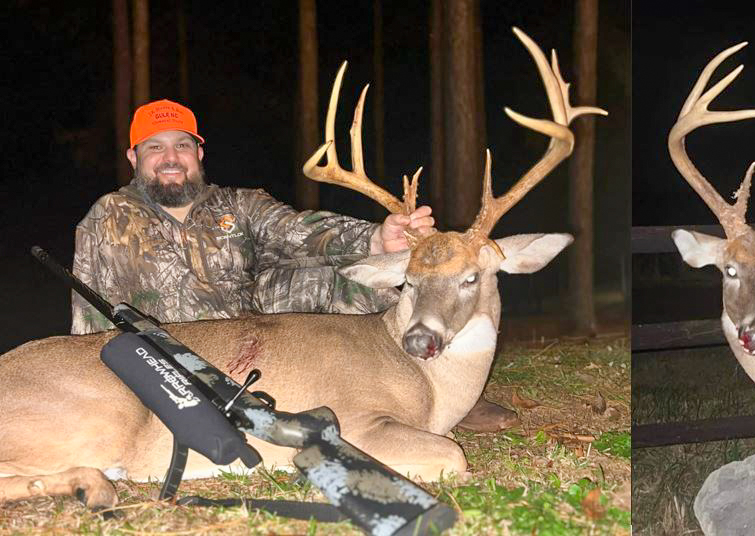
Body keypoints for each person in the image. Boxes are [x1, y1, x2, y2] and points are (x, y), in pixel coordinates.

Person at [71, 99, 516, 431]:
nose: (170, 158)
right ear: (134, 157)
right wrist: (93, 375)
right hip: (170, 355)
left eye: (182, 145)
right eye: (155, 147)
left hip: (252, 336)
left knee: (363, 285)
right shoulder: (106, 218)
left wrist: (376, 238)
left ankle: (433, 387)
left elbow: (300, 232)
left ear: (198, 153)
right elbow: (87, 311)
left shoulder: (239, 204)